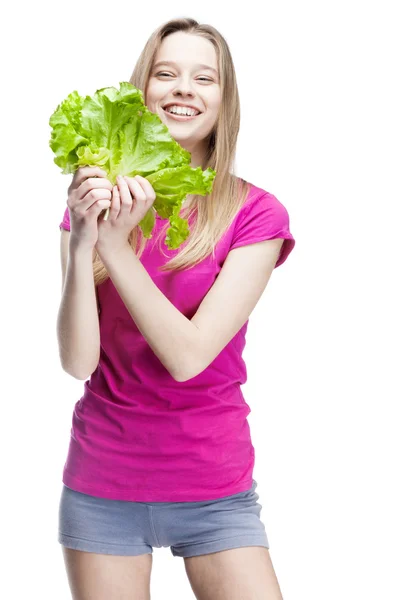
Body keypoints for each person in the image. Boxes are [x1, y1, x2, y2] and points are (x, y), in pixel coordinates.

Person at [57, 17, 295, 600]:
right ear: (143, 92)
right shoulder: (90, 207)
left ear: (223, 101)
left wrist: (115, 247)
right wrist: (89, 236)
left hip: (216, 486)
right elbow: (77, 360)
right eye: (166, 73)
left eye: (203, 78)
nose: (184, 88)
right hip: (103, 483)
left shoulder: (255, 215)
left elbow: (188, 356)